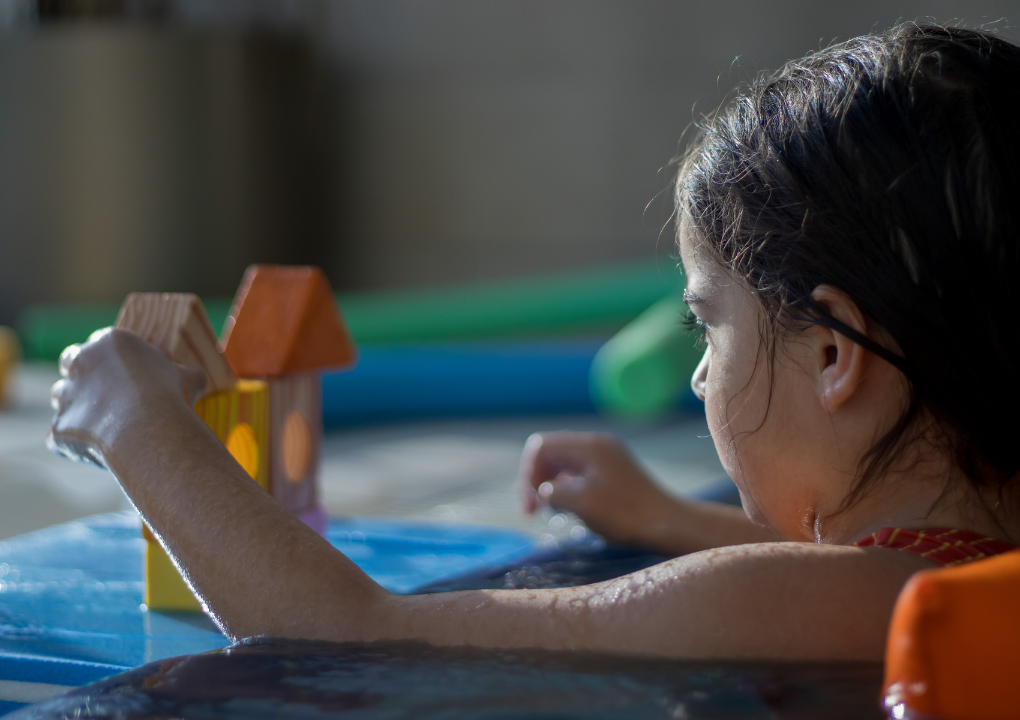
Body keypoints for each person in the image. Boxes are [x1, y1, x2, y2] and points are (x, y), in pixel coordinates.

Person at [49, 23, 1020, 661]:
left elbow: (344, 629)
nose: (697, 369)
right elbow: (837, 581)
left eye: (707, 323)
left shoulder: (816, 608)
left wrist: (138, 425)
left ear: (833, 355)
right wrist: (671, 520)